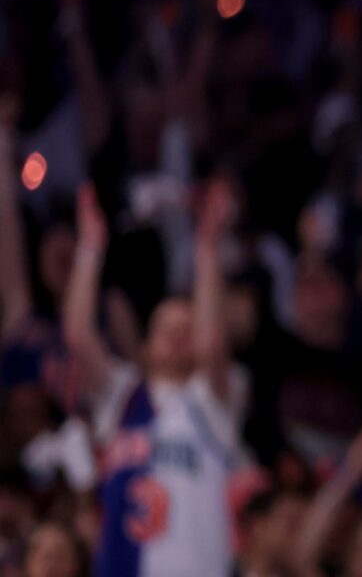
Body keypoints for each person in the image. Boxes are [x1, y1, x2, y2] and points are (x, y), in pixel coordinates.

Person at [63, 178, 240, 577]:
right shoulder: (122, 397)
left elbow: (213, 346)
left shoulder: (210, 403)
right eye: (168, 329)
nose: (179, 337)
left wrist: (207, 248)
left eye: (187, 329)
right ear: (144, 347)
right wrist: (90, 247)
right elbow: (78, 333)